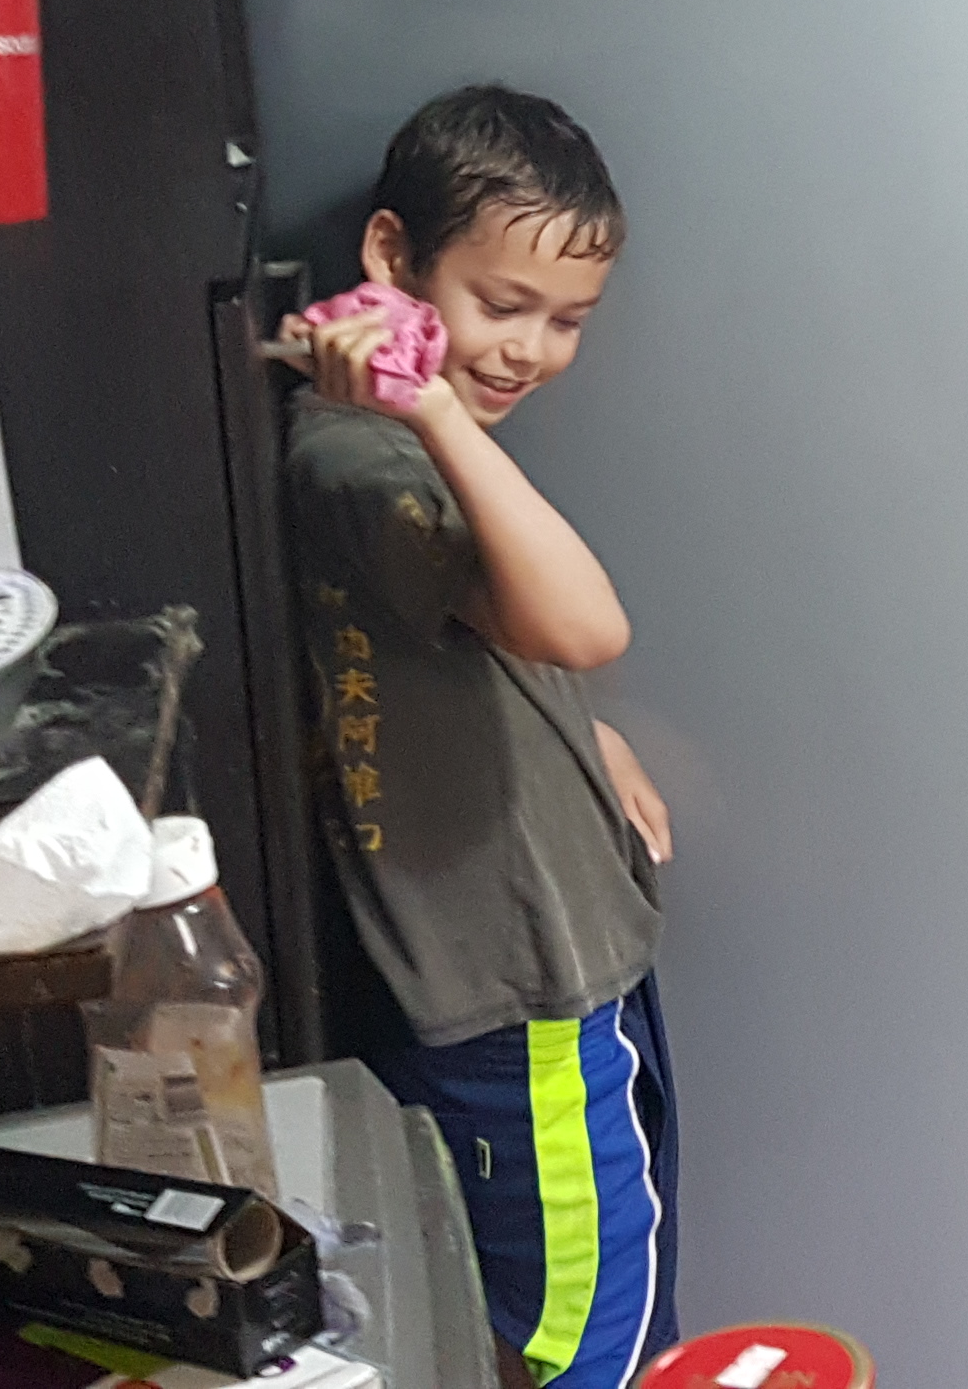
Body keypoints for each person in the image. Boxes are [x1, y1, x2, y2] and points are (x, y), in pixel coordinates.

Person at [281, 85, 678, 1389]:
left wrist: (580, 742)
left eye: (568, 322)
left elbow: (497, 640)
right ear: (391, 256)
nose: (528, 352)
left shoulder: (398, 448)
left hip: (534, 979)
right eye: (501, 305)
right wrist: (436, 412)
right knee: (586, 1345)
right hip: (520, 1001)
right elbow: (588, 627)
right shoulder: (369, 458)